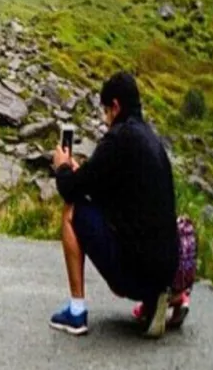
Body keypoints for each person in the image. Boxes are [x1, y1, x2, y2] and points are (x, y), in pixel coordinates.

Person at [49, 72, 180, 338]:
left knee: (72, 210)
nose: (105, 119)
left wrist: (62, 168)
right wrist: (79, 173)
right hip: (165, 269)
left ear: (116, 106)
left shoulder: (118, 139)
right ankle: (157, 297)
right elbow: (106, 188)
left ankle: (76, 312)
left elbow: (70, 190)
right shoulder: (151, 140)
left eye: (106, 111)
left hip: (134, 274)